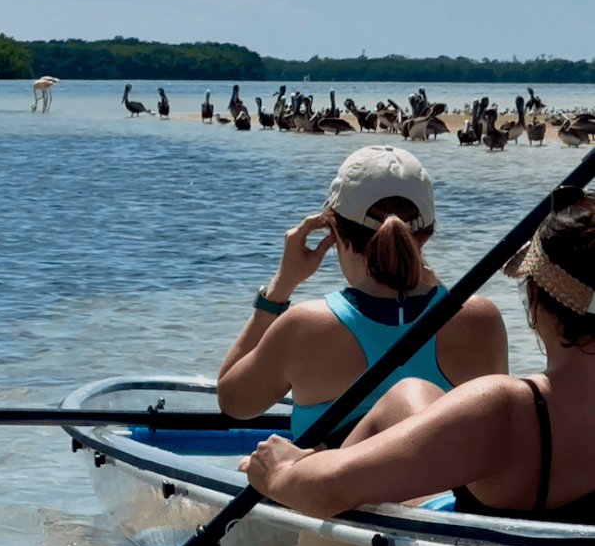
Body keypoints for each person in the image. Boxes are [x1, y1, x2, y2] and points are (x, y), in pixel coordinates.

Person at [244, 185, 595, 522]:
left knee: (400, 401)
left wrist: (280, 472)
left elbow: (324, 491)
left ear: (536, 305)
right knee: (412, 396)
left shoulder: (501, 408)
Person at [218, 145, 507, 447]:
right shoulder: (479, 320)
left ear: (334, 231)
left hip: (339, 493)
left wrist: (280, 287)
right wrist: (429, 280)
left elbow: (234, 403)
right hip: (439, 492)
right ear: (428, 232)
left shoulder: (304, 327)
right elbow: (497, 436)